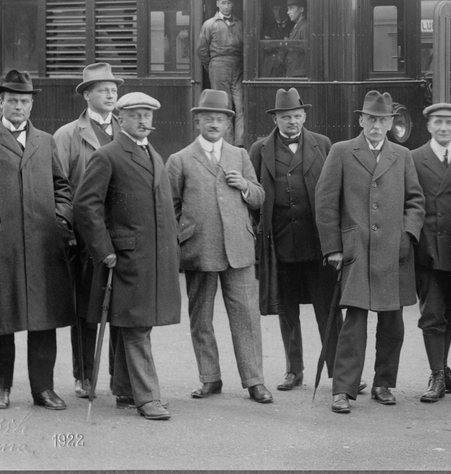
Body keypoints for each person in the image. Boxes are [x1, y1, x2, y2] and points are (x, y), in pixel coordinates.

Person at [0, 69, 75, 411]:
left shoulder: (45, 142)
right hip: (2, 246)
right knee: (1, 320)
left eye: (25, 101)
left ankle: (43, 389)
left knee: (44, 320)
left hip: (43, 246)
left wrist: (60, 220)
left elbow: (63, 188)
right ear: (1, 102)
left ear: (32, 105)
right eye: (13, 100)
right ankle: (1, 387)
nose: (19, 106)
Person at [316, 91, 425, 414]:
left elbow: (416, 201)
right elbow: (325, 202)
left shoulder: (402, 155)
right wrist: (333, 247)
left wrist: (407, 235)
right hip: (356, 249)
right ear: (361, 121)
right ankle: (343, 389)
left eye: (383, 121)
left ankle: (383, 384)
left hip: (394, 251)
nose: (376, 126)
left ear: (391, 123)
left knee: (393, 323)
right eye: (371, 120)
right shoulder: (342, 151)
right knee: (354, 321)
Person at [75, 92, 181, 421]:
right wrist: (104, 249)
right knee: (137, 325)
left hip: (153, 258)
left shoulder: (152, 153)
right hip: (125, 257)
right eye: (136, 115)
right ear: (120, 119)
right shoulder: (108, 155)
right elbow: (85, 205)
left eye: (147, 115)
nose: (143, 121)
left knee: (130, 323)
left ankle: (124, 390)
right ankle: (148, 397)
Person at [167, 90, 273, 405]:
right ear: (198, 122)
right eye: (208, 118)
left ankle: (255, 381)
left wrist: (245, 186)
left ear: (228, 124)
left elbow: (259, 197)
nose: (214, 124)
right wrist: (183, 238)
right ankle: (210, 378)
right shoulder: (180, 160)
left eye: (220, 119)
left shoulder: (239, 156)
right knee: (201, 318)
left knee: (247, 317)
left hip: (239, 248)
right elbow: (170, 209)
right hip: (199, 250)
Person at [249, 88, 335, 390]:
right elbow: (253, 198)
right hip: (280, 245)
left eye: (297, 116)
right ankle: (293, 370)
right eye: (286, 117)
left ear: (304, 116)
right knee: (287, 311)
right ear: (275, 119)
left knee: (327, 309)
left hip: (319, 244)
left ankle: (339, 371)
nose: (292, 122)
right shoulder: (259, 149)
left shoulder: (323, 144)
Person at [52, 61, 124, 399]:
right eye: (102, 89)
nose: (110, 94)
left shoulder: (125, 130)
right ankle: (83, 375)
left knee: (122, 308)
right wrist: (67, 229)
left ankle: (118, 377)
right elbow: (58, 187)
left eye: (113, 89)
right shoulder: (68, 135)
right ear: (87, 95)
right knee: (85, 308)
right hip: (83, 236)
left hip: (121, 235)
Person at [409, 102, 451, 403]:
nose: (444, 127)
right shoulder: (414, 158)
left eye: (449, 122)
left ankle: (443, 370)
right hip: (427, 250)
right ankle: (436, 375)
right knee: (433, 314)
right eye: (438, 122)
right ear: (429, 126)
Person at [196, 0, 244, 143]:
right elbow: (201, 50)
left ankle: (240, 144)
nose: (226, 6)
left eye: (229, 2)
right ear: (217, 4)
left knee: (241, 105)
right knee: (224, 106)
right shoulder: (210, 24)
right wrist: (212, 67)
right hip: (218, 67)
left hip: (238, 67)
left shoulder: (239, 24)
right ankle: (227, 144)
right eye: (223, 3)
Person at [260, 3, 289, 78]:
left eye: (281, 8)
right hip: (270, 68)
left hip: (287, 67)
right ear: (272, 10)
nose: (279, 12)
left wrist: (273, 41)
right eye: (275, 9)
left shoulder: (292, 25)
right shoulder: (268, 26)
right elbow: (266, 47)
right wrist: (282, 42)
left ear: (286, 9)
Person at [283, 0, 308, 78]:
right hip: (293, 73)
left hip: (300, 74)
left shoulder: (305, 27)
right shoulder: (297, 27)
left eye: (291, 8)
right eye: (288, 9)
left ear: (301, 9)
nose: (288, 12)